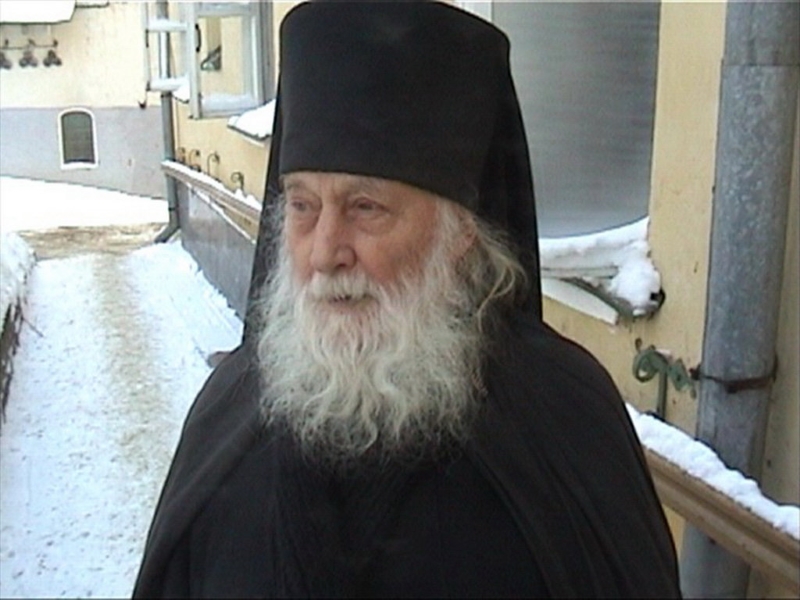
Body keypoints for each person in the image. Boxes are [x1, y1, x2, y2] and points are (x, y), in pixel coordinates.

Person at [133, 2, 681, 597]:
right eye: (302, 206)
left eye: (365, 207)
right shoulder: (228, 406)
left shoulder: (566, 417)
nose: (324, 252)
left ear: (458, 233)